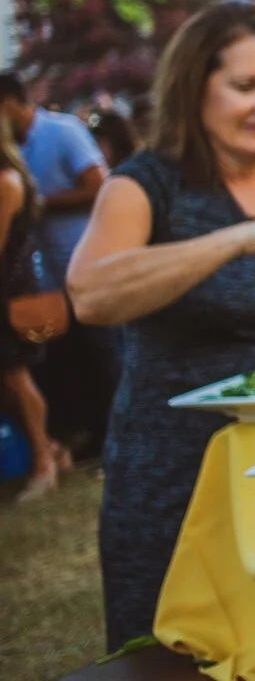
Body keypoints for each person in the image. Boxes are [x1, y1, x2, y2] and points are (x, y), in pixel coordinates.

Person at [66, 0, 255, 648]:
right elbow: (90, 294)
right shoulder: (147, 185)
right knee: (176, 653)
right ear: (195, 86)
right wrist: (239, 238)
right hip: (174, 475)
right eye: (246, 85)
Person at [0, 72, 111, 458]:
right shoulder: (18, 146)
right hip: (46, 273)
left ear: (9, 103)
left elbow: (100, 184)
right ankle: (78, 436)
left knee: (103, 352)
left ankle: (107, 435)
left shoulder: (62, 131)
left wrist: (44, 204)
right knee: (68, 360)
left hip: (84, 259)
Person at [0, 115, 70, 501]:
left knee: (15, 377)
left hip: (10, 296)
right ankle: (53, 450)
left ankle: (44, 463)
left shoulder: (6, 181)